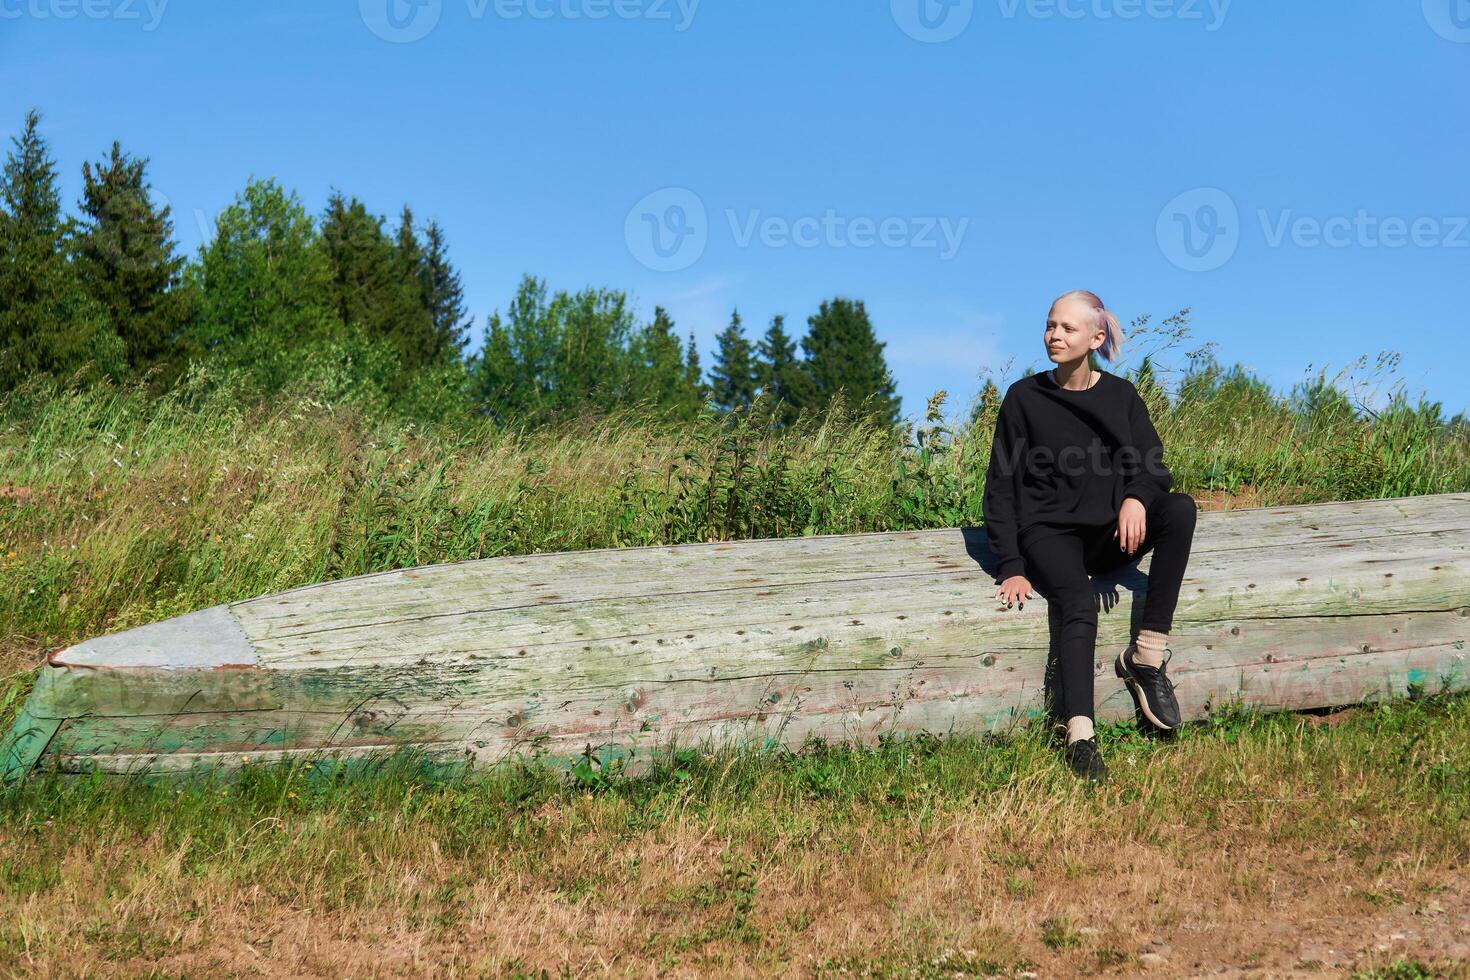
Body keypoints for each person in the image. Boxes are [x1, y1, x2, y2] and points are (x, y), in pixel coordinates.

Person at [981, 290, 1198, 782]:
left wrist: (1136, 497)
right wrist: (1011, 565)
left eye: (1067, 328)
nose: (1054, 335)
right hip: (1048, 535)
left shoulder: (1121, 396)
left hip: (1107, 536)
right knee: (1076, 600)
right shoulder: (1024, 398)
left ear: (1096, 338)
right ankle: (1080, 735)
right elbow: (1001, 488)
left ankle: (1145, 657)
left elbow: (1152, 465)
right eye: (1050, 325)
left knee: (1180, 510)